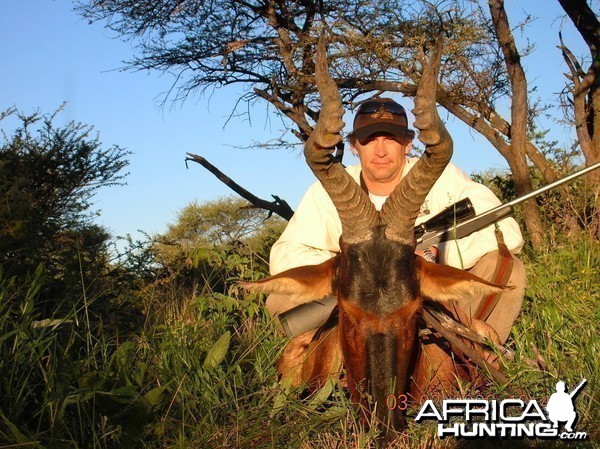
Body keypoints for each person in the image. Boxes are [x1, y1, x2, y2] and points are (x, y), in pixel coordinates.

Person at [268, 98, 526, 344]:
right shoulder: (330, 188)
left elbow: (507, 231)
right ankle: (340, 367)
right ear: (354, 147)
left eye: (391, 139)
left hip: (430, 298)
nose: (380, 151)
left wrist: (427, 260)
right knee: (280, 297)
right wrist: (354, 268)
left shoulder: (443, 178)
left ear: (408, 144)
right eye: (370, 140)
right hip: (358, 303)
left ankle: (469, 357)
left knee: (506, 266)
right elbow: (283, 255)